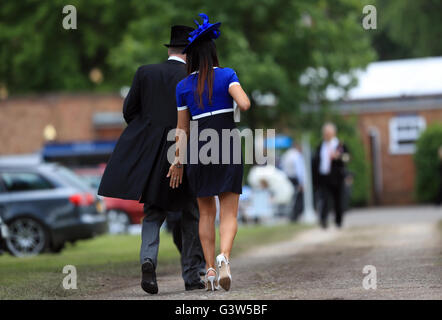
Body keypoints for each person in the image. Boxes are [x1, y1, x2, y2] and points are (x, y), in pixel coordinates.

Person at [97, 25, 205, 294]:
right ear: (189, 54)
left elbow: (129, 111)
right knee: (191, 214)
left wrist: (148, 134)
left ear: (170, 50)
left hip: (154, 155)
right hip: (185, 152)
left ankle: (148, 259)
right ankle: (192, 276)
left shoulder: (145, 73)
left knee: (153, 213)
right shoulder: (195, 78)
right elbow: (200, 120)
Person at [167, 13, 251, 291]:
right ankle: (224, 257)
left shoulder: (183, 86)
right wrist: (233, 93)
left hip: (199, 148)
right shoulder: (227, 74)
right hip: (226, 142)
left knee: (205, 214)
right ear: (213, 52)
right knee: (229, 213)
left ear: (190, 57)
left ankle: (211, 271)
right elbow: (245, 104)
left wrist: (177, 162)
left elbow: (182, 130)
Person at [312, 123, 350, 229]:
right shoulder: (320, 146)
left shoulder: (340, 145)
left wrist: (339, 156)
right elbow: (315, 163)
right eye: (325, 133)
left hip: (337, 177)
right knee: (324, 199)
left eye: (329, 133)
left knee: (338, 199)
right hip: (324, 177)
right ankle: (323, 220)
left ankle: (338, 221)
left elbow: (348, 158)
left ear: (334, 133)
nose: (327, 135)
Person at [280, 141, 305, 221]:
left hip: (287, 178)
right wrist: (302, 182)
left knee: (292, 197)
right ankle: (295, 215)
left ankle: (293, 214)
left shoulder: (286, 154)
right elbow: (299, 170)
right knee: (298, 197)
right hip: (294, 179)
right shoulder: (296, 155)